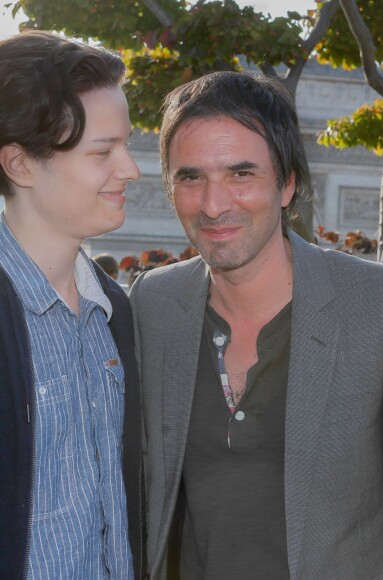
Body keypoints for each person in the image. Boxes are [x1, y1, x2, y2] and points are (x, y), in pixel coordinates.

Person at [130, 71, 383, 579]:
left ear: (288, 183)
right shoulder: (153, 304)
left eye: (241, 174)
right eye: (191, 177)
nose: (213, 204)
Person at [0, 31, 144, 578]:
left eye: (125, 145)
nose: (130, 169)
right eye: (103, 152)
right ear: (21, 165)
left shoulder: (113, 311)